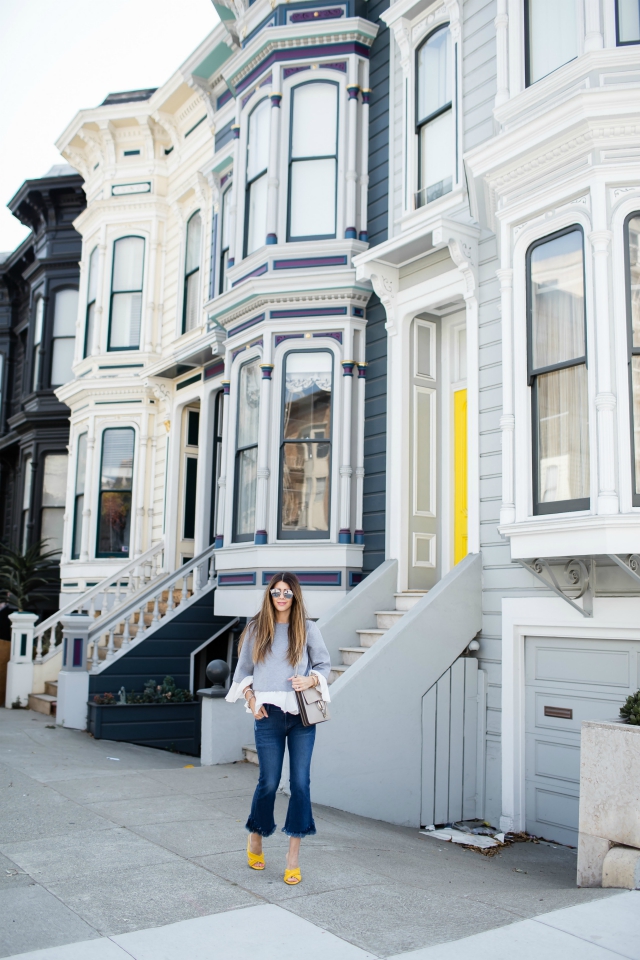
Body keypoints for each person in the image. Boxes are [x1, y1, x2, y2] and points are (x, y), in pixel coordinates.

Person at [226, 571, 331, 884]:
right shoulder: (257, 629)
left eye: (287, 592)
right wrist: (251, 697)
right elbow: (243, 672)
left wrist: (311, 679)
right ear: (269, 595)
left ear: (295, 596)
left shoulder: (308, 629)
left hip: (301, 715)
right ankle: (256, 835)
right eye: (276, 591)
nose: (282, 596)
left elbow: (325, 667)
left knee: (300, 783)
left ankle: (292, 856)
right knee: (269, 782)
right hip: (267, 716)